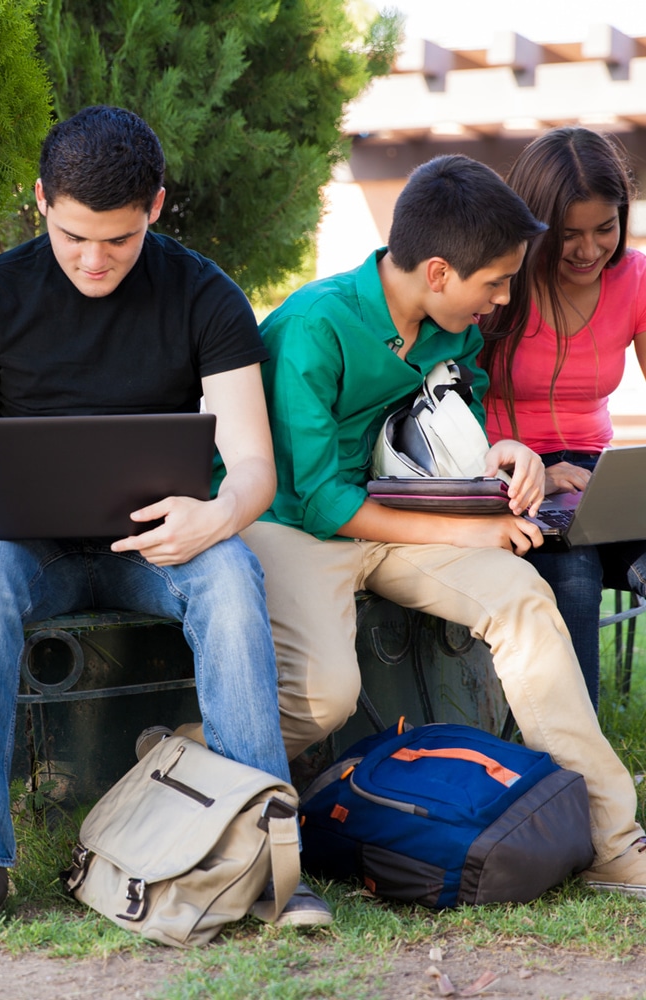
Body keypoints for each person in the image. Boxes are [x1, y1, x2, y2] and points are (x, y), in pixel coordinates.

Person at [0, 105, 327, 935]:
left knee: (231, 577)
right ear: (41, 200)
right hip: (32, 543)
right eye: (74, 236)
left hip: (163, 543)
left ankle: (263, 861)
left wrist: (213, 517)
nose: (93, 258)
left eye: (118, 238)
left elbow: (254, 467)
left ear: (155, 206)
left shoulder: (205, 294)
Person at [241, 154, 646, 899]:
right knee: (324, 694)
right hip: (294, 524)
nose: (499, 303)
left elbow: (460, 421)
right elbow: (323, 499)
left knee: (524, 599)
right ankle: (187, 755)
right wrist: (473, 533)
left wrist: (509, 452)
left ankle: (613, 844)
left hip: (398, 518)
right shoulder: (313, 325)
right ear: (436, 272)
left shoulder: (449, 327)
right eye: (493, 283)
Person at [479, 127, 646, 709]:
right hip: (511, 476)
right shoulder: (500, 280)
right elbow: (447, 402)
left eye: (606, 228)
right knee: (573, 582)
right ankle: (581, 764)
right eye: (568, 234)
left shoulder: (636, 279)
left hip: (596, 477)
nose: (589, 249)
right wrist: (537, 476)